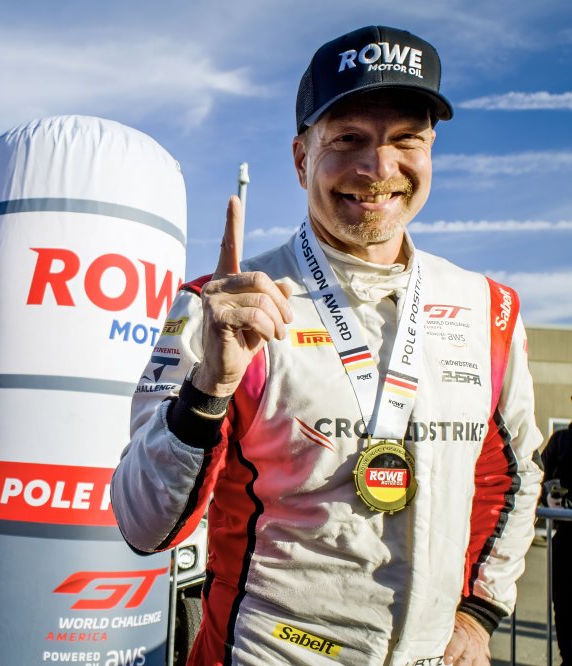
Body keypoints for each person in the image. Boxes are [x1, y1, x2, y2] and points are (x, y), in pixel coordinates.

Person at [111, 25, 542, 665]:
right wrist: (209, 388)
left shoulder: (489, 309)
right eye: (348, 139)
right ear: (300, 157)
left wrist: (478, 613)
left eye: (406, 140)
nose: (380, 169)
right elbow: (142, 525)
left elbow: (508, 477)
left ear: (430, 151)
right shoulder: (223, 303)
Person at [542, 401, 572, 664]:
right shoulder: (561, 441)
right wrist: (548, 497)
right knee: (563, 604)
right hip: (565, 538)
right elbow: (539, 476)